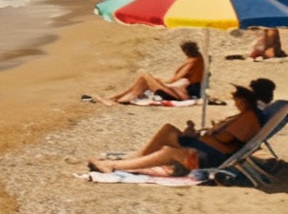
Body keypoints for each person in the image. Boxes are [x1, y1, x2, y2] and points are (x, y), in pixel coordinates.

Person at [87, 82, 265, 175]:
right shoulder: (245, 115)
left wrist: (213, 132)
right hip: (207, 148)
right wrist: (198, 134)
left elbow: (227, 139)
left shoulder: (249, 117)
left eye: (238, 101)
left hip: (210, 157)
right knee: (168, 130)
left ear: (247, 100)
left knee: (168, 151)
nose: (237, 104)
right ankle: (132, 159)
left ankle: (113, 165)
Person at [94, 40, 205, 104]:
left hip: (177, 95)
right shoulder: (198, 61)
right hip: (176, 92)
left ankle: (117, 99)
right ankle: (118, 98)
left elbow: (175, 79)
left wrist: (162, 82)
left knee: (144, 74)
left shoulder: (194, 62)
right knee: (145, 79)